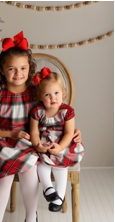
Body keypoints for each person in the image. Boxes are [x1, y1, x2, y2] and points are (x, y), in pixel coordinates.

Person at [0, 31, 81, 222]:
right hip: (3, 143)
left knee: (30, 170)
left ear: (29, 69)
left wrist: (73, 131)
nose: (18, 73)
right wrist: (11, 133)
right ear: (2, 70)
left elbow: (59, 114)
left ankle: (31, 218)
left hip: (33, 144)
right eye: (12, 69)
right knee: (3, 179)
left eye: (23, 68)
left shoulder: (36, 93)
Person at [28, 69, 84, 213]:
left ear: (63, 93)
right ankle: (48, 189)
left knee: (61, 165)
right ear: (40, 96)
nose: (53, 98)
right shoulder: (37, 111)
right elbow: (34, 131)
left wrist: (60, 147)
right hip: (43, 141)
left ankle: (59, 196)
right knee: (40, 162)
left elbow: (69, 132)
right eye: (47, 94)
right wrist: (37, 145)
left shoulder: (67, 111)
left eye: (56, 93)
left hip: (62, 142)